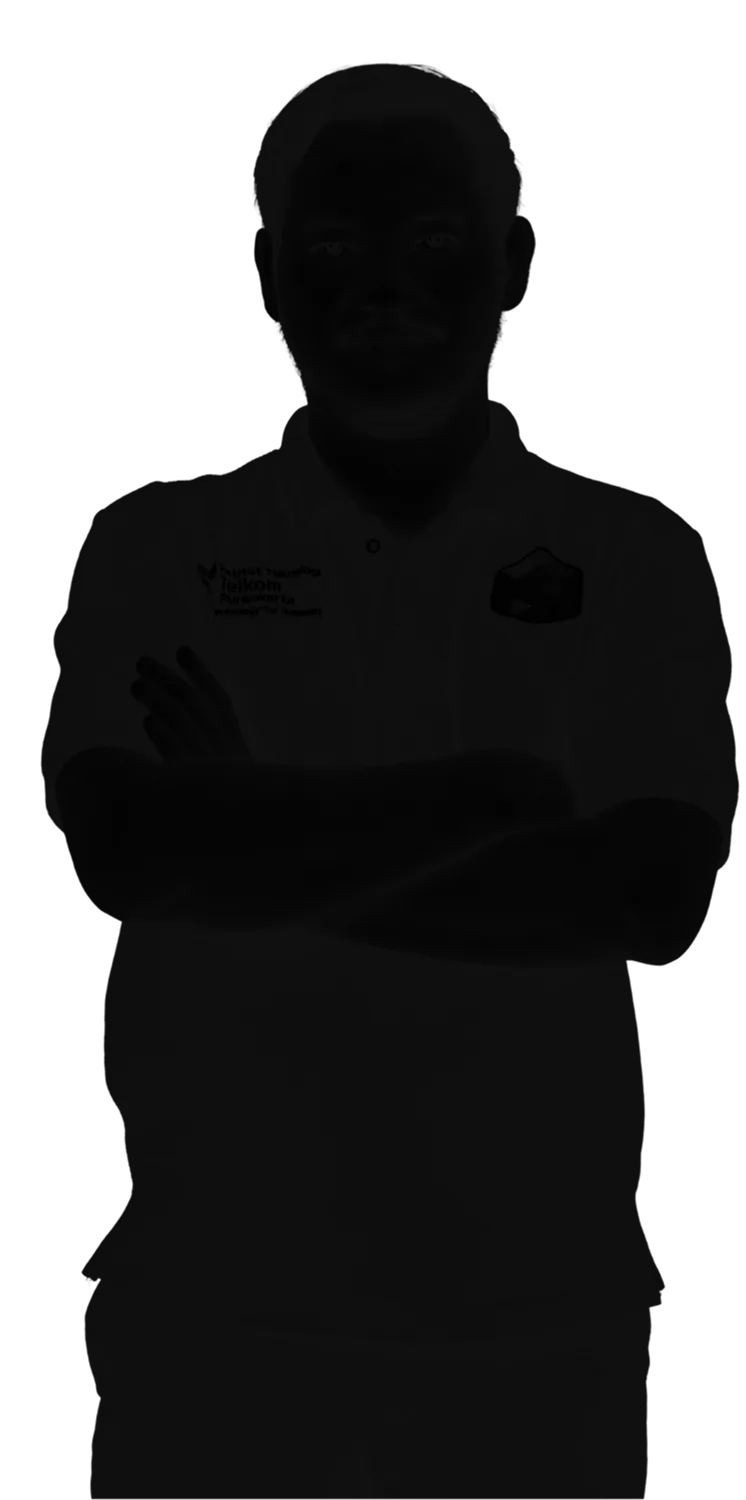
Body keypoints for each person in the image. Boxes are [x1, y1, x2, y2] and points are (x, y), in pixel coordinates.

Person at [46, 57, 735, 1499]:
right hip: (210, 1335)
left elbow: (651, 895)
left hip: (540, 1342)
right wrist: (499, 791)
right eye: (332, 247)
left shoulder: (635, 552)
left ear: (515, 259)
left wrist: (253, 839)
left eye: (431, 240)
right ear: (264, 270)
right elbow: (129, 850)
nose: (381, 286)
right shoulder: (158, 543)